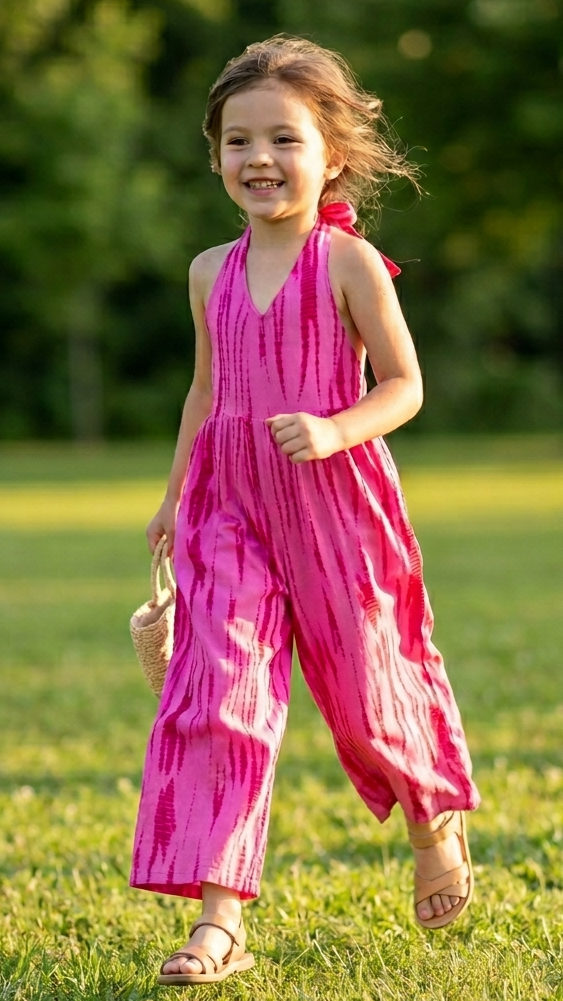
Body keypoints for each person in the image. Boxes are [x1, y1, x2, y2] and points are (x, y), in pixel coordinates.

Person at [130, 35, 480, 986]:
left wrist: (335, 429)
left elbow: (404, 385)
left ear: (329, 150)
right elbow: (205, 394)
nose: (259, 159)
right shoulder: (208, 272)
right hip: (227, 506)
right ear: (214, 158)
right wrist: (172, 499)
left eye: (283, 138)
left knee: (369, 695)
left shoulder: (349, 261)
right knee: (224, 699)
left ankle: (429, 815)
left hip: (335, 501)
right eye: (238, 141)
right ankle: (219, 918)